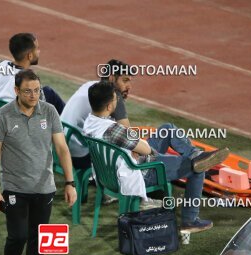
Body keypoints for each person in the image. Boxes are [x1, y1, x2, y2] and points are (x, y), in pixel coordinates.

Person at [83, 81, 229, 232]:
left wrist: (135, 146)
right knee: (197, 167)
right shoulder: (113, 130)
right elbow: (146, 150)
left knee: (167, 129)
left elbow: (132, 144)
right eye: (115, 99)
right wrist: (141, 147)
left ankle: (196, 154)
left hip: (110, 174)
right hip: (143, 170)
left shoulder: (90, 122)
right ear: (108, 107)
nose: (117, 101)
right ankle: (190, 220)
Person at [0, 69, 77, 255]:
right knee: (18, 236)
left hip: (44, 188)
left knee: (39, 239)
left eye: (37, 90)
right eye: (28, 91)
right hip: (15, 188)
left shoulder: (49, 111)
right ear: (16, 90)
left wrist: (70, 183)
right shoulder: (3, 115)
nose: (34, 95)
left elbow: (62, 148)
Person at [60, 59, 131, 204]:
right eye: (125, 80)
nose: (129, 86)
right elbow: (129, 138)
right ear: (111, 78)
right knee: (124, 149)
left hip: (60, 148)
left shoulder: (91, 86)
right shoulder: (113, 96)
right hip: (79, 157)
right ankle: (115, 191)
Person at [0, 33, 66, 114]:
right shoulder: (29, 78)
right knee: (49, 93)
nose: (39, 52)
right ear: (30, 56)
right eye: (37, 49)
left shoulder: (0, 65)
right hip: (16, 122)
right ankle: (70, 123)